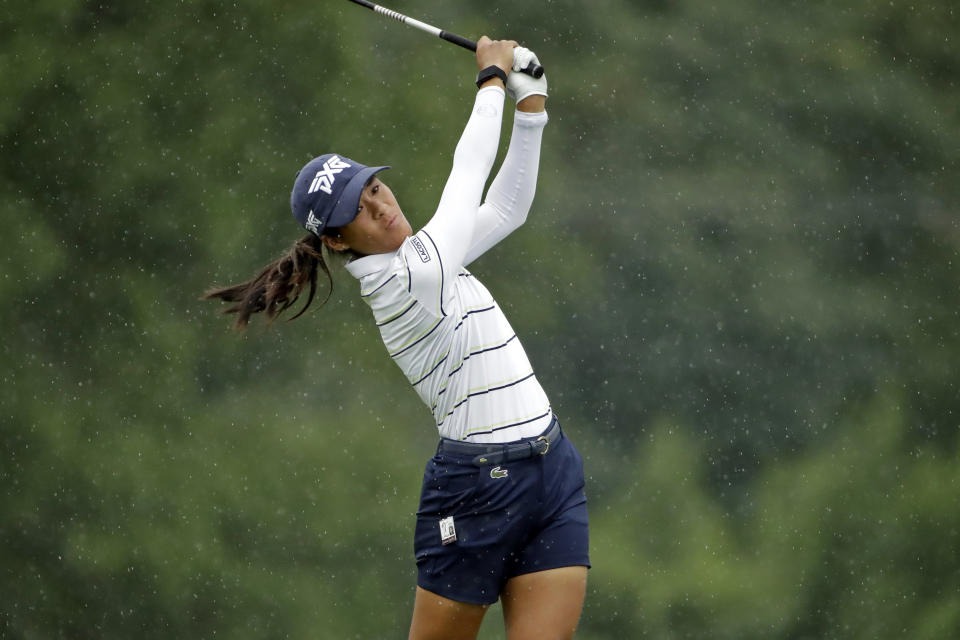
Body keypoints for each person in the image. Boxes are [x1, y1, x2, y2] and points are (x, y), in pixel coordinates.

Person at [204, 37, 589, 640]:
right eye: (361, 209)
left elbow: (507, 208)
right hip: (475, 492)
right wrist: (490, 81)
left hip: (551, 470)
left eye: (375, 188)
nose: (382, 205)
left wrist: (531, 108)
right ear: (337, 241)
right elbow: (466, 180)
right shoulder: (407, 280)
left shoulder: (428, 255)